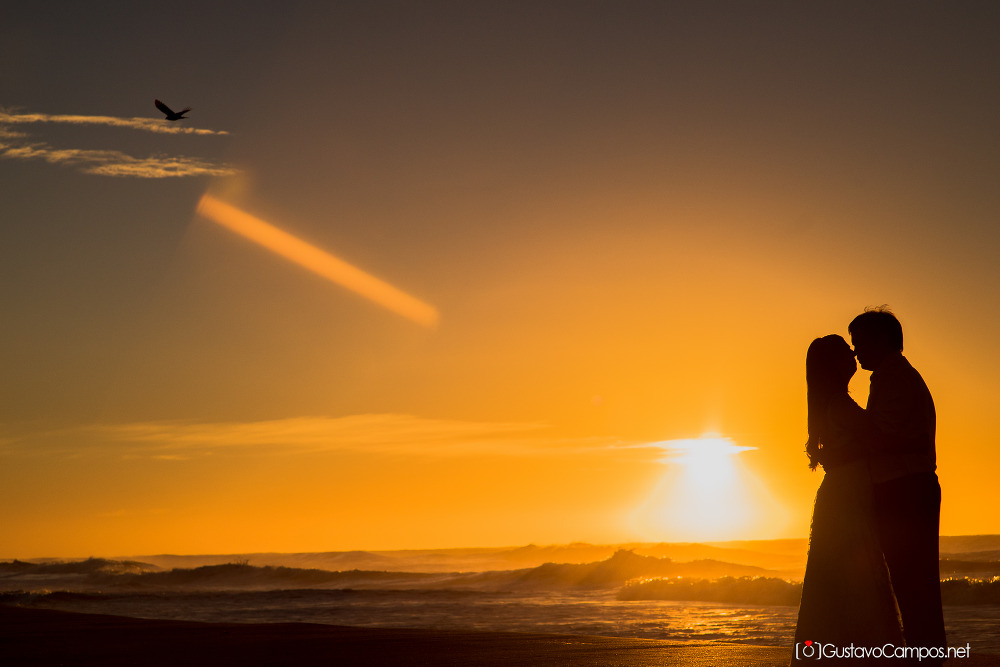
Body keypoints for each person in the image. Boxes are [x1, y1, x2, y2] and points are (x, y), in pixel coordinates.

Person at [842, 307, 946, 660]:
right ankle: (924, 652)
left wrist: (847, 421)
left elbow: (887, 437)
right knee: (911, 583)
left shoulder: (895, 378)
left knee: (914, 584)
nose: (856, 351)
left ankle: (925, 655)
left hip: (906, 489)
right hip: (906, 487)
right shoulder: (893, 377)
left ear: (883, 339)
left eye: (860, 342)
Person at [792, 335, 903, 664]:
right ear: (833, 365)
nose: (853, 353)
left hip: (840, 492)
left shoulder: (830, 403)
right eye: (845, 351)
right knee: (856, 571)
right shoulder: (839, 403)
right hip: (847, 495)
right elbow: (878, 436)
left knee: (835, 572)